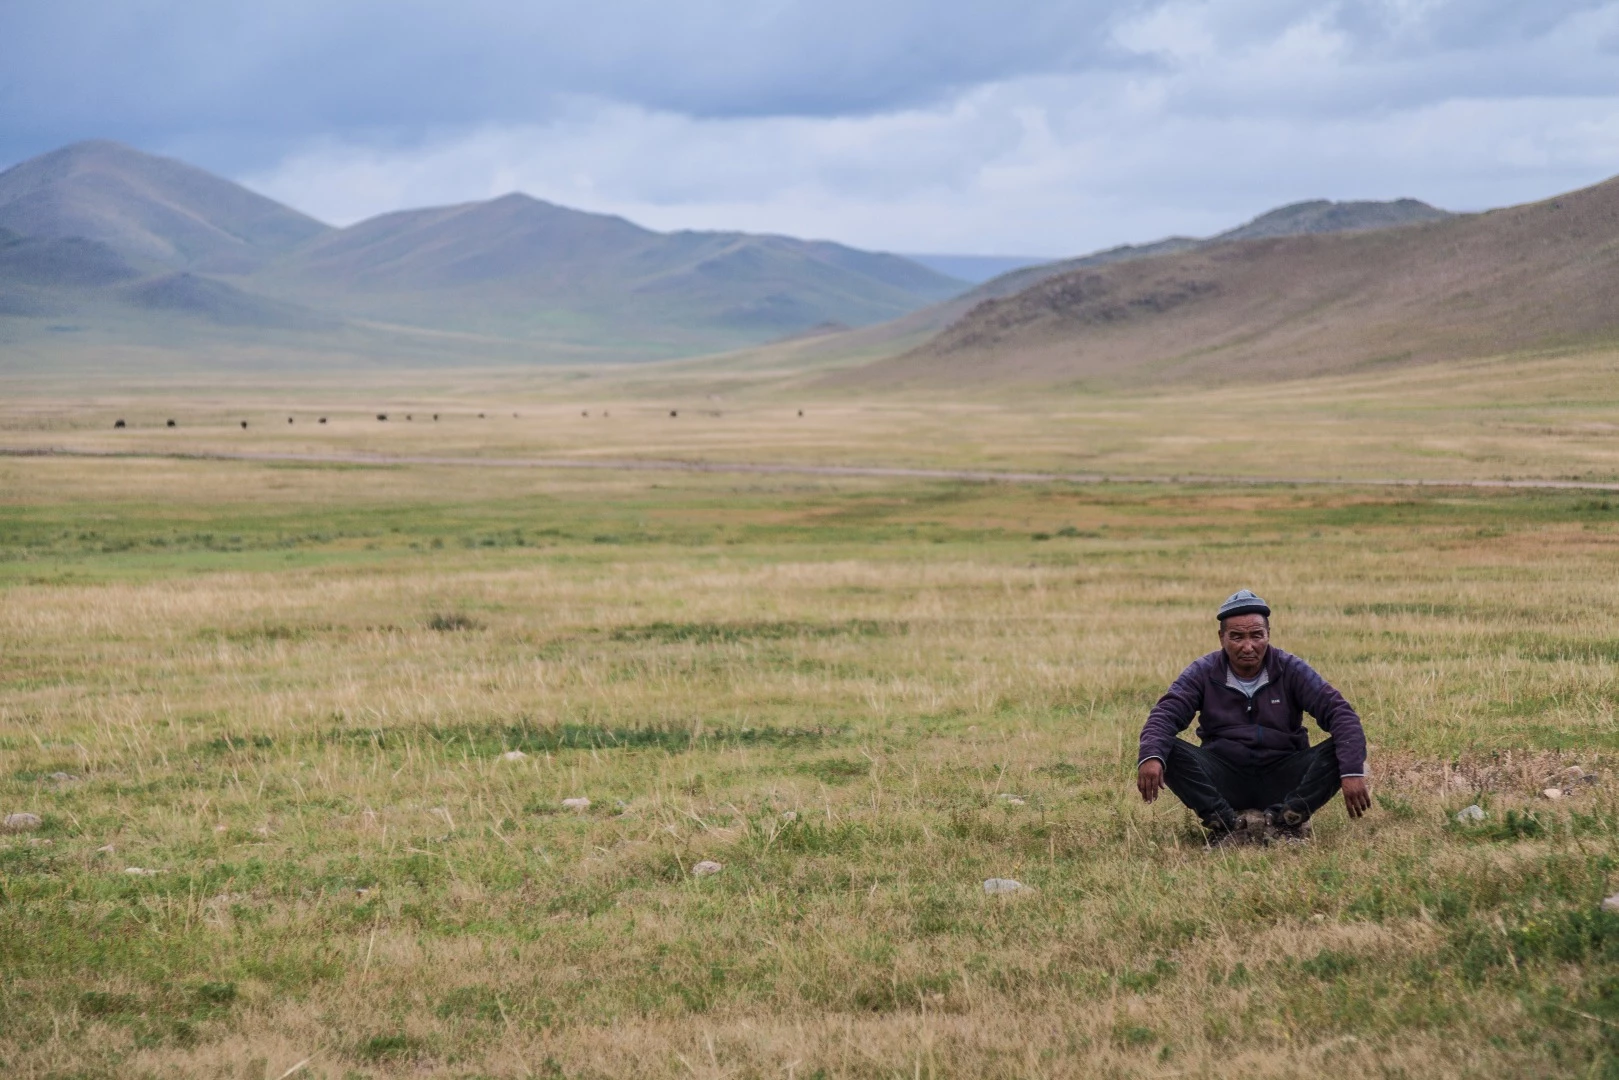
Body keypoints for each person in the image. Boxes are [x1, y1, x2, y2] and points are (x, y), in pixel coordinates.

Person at [1135, 590, 1370, 845]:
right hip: (1225, 777)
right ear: (1221, 637)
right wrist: (1151, 756)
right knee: (1165, 749)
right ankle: (1226, 825)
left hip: (1284, 775)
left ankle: (1286, 823)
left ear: (1268, 634)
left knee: (1341, 748)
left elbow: (1341, 714)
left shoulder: (1290, 669)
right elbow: (1165, 715)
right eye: (1237, 637)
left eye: (1257, 635)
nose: (1248, 646)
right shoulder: (1203, 672)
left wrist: (1351, 772)